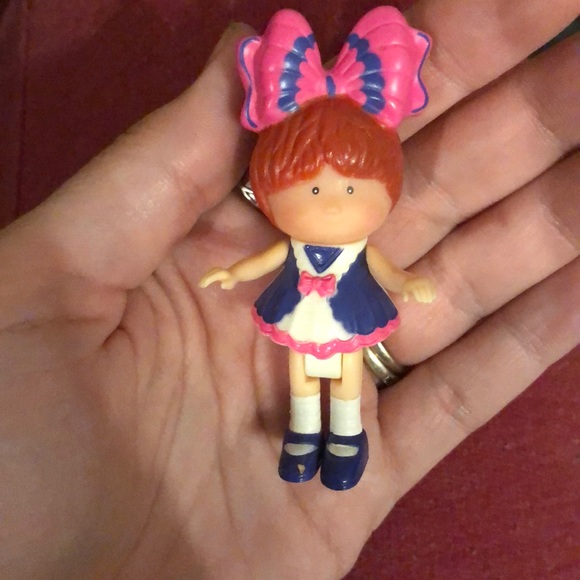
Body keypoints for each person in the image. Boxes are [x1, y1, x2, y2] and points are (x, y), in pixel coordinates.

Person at [0, 0, 577, 577]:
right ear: (272, 190)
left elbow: (379, 265)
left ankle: (345, 440)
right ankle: (303, 436)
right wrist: (234, 273)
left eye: (350, 192)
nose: (332, 207)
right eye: (313, 193)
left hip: (346, 311)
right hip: (301, 310)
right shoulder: (294, 242)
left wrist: (408, 281)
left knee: (345, 373)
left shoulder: (355, 244)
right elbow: (272, 257)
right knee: (302, 372)